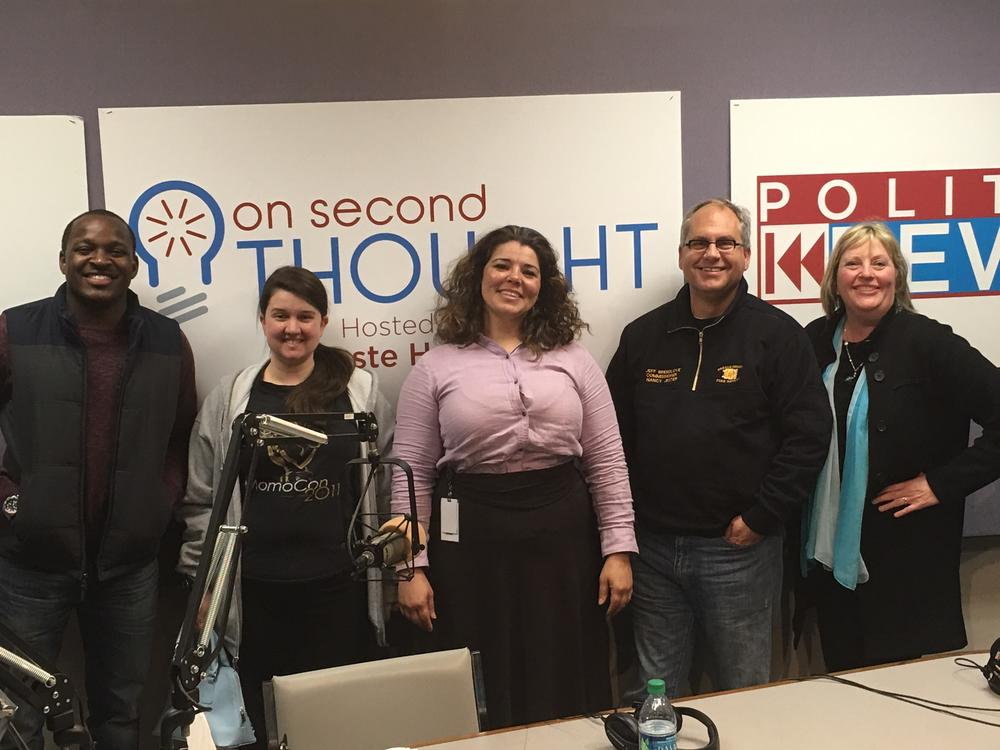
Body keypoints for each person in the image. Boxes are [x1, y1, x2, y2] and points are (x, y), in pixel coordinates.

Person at [391, 225, 636, 728]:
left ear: (543, 286)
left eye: (529, 271)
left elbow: (607, 459)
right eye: (502, 265)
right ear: (478, 276)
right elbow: (410, 475)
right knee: (480, 669)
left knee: (562, 662)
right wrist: (409, 569)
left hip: (563, 534)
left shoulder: (575, 360)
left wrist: (618, 551)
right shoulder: (434, 368)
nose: (514, 278)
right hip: (470, 540)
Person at [606, 198, 831, 699]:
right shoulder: (643, 336)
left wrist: (762, 516)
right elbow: (609, 438)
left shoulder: (778, 337)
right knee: (654, 692)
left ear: (746, 255)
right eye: (699, 242)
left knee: (745, 690)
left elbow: (809, 436)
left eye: (725, 242)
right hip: (654, 550)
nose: (712, 253)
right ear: (682, 255)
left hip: (739, 550)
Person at [0, 209, 197, 750]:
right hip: (29, 561)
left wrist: (160, 501)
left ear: (134, 263)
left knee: (122, 713)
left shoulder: (166, 340)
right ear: (63, 260)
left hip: (128, 565)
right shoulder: (13, 330)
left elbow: (180, 436)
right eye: (86, 248)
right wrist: (10, 502)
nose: (100, 259)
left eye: (115, 249)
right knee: (18, 716)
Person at [177, 266, 393, 749]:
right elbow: (200, 501)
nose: (291, 327)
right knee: (255, 721)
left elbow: (383, 485)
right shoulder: (232, 397)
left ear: (322, 322)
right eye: (280, 315)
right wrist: (204, 588)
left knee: (333, 720)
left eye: (304, 316)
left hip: (338, 589)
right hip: (252, 594)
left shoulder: (360, 391)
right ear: (262, 319)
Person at [800, 221, 1000, 671]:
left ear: (898, 276)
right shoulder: (813, 340)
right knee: (841, 688)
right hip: (827, 557)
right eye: (853, 263)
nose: (866, 273)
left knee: (895, 699)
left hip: (902, 561)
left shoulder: (928, 341)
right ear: (835, 278)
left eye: (879, 263)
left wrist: (940, 484)